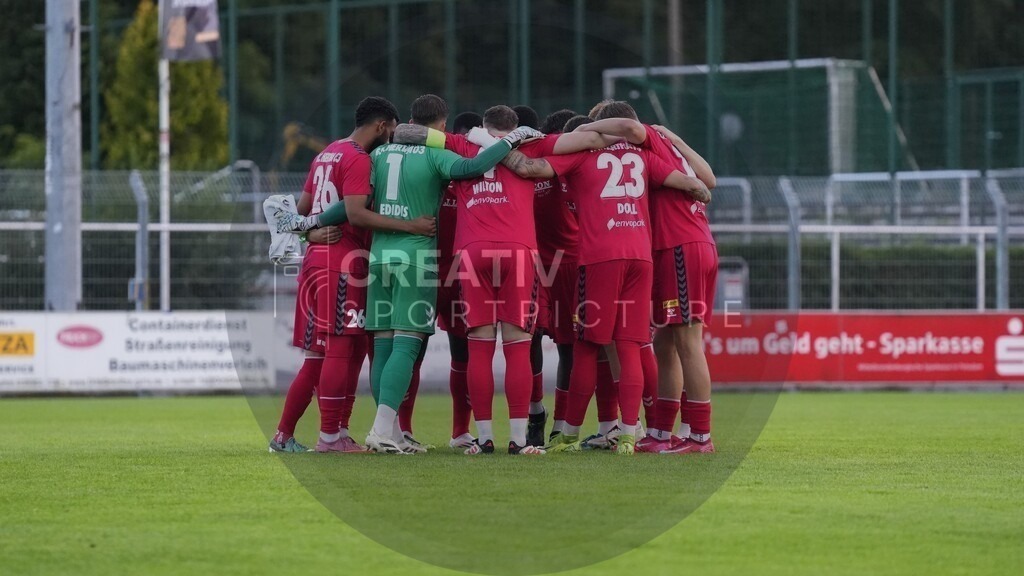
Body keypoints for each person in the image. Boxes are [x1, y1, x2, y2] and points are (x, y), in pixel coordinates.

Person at [501, 104, 711, 455]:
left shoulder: (582, 156)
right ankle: (631, 433)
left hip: (601, 258)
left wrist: (498, 151)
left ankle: (568, 434)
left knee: (586, 346)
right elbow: (695, 186)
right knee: (631, 345)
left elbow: (531, 168)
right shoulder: (642, 157)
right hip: (642, 257)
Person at [362, 94, 539, 454]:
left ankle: (398, 431)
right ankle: (395, 430)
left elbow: (351, 204)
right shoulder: (439, 155)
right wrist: (506, 141)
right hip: (419, 261)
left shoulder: (377, 155)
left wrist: (310, 223)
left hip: (380, 258)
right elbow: (470, 169)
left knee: (384, 348)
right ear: (442, 126)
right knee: (412, 346)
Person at [269, 96, 405, 454]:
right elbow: (357, 214)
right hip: (341, 263)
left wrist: (309, 233)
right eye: (391, 130)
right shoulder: (359, 159)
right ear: (381, 126)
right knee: (342, 351)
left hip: (315, 261)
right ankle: (331, 437)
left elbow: (300, 211)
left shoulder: (326, 153)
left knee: (321, 354)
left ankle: (286, 436)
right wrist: (411, 225)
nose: (391, 137)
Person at [582, 102, 718, 454]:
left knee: (687, 343)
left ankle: (700, 437)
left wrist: (583, 130)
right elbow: (710, 179)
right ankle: (660, 433)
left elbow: (632, 128)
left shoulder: (646, 139)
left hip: (679, 245)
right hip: (685, 245)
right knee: (665, 344)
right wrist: (676, 138)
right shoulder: (667, 145)